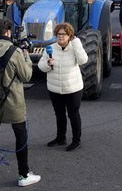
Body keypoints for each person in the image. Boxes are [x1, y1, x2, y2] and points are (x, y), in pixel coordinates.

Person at [0, 18, 40, 187]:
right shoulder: (15, 52)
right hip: (12, 100)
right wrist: (26, 55)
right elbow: (26, 76)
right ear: (7, 32)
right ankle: (23, 175)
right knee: (20, 134)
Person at [37, 22, 87, 152]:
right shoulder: (50, 48)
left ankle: (76, 140)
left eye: (64, 34)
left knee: (73, 114)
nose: (61, 36)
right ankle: (60, 138)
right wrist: (48, 63)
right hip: (55, 88)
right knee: (59, 114)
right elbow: (41, 66)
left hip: (73, 88)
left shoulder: (75, 47)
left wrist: (76, 43)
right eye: (59, 34)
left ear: (70, 35)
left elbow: (83, 60)